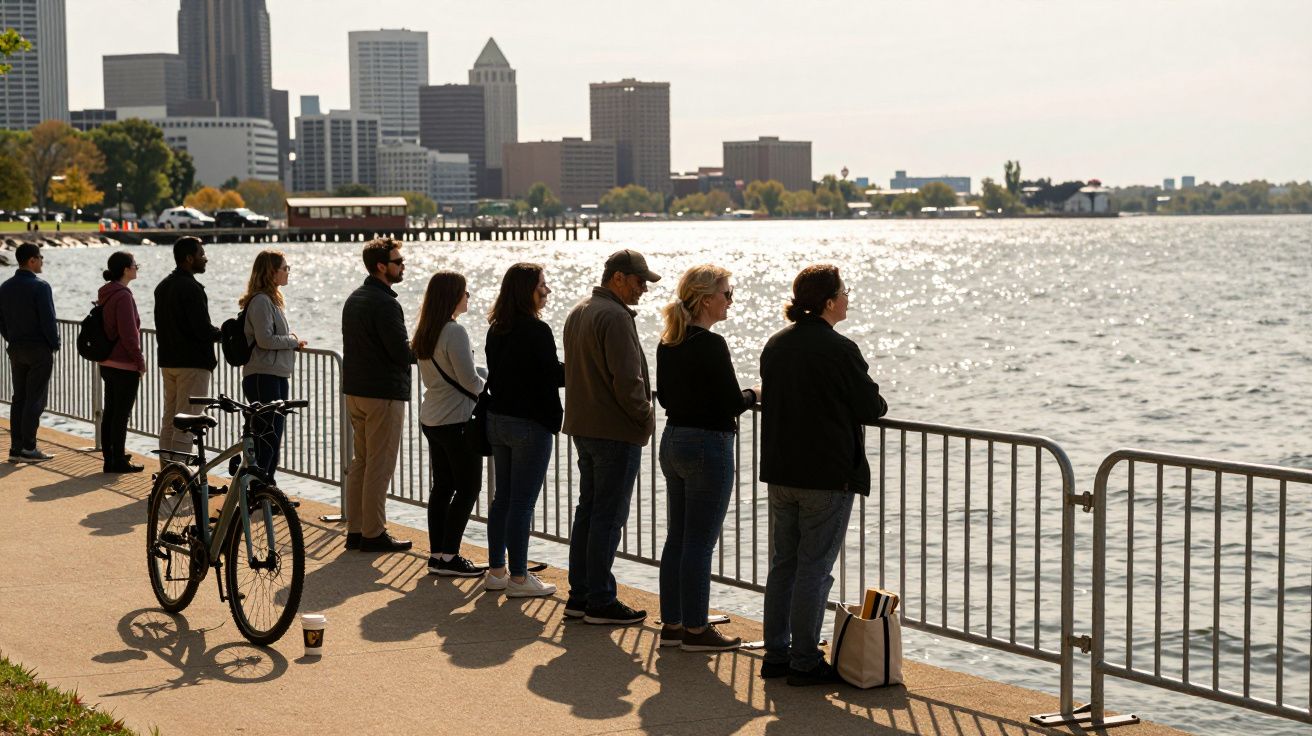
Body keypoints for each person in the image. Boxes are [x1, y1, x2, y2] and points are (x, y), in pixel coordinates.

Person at [758, 264, 888, 686]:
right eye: (844, 292)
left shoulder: (776, 344)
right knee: (815, 568)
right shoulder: (839, 349)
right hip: (826, 475)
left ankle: (776, 654)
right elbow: (871, 406)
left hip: (781, 469)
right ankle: (805, 660)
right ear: (830, 302)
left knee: (784, 565)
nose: (848, 297)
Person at [655, 264, 759, 652]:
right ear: (705, 299)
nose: (731, 300)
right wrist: (755, 393)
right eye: (727, 294)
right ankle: (697, 631)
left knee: (677, 539)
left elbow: (665, 398)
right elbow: (732, 402)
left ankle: (673, 624)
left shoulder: (669, 343)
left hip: (674, 441)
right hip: (708, 446)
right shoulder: (711, 345)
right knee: (699, 542)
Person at [561, 249, 660, 625]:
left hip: (584, 426)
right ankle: (600, 599)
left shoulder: (580, 310)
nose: (642, 290)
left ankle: (580, 594)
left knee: (588, 512)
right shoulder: (615, 316)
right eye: (639, 282)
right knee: (608, 516)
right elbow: (628, 382)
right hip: (614, 430)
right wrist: (646, 418)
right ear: (617, 278)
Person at [483, 263, 563, 598]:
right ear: (527, 290)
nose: (546, 291)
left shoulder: (496, 328)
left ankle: (497, 570)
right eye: (542, 285)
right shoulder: (537, 330)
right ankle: (519, 577)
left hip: (499, 420)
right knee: (522, 503)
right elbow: (553, 376)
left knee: (503, 498)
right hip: (530, 423)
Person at [341, 238, 414, 553]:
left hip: (356, 391)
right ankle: (374, 533)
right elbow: (400, 353)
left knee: (361, 462)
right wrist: (425, 348)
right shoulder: (386, 304)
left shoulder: (355, 298)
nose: (402, 266)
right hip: (382, 393)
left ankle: (356, 530)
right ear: (381, 267)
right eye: (398, 261)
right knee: (379, 465)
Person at [413, 271, 486, 578]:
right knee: (468, 487)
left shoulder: (426, 330)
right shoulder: (454, 331)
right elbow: (468, 380)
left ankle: (437, 555)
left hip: (432, 416)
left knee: (443, 486)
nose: (468, 296)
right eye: (465, 292)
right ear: (453, 296)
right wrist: (490, 387)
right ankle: (450, 555)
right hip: (456, 419)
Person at [239, 250, 306, 483]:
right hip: (262, 375)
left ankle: (266, 488)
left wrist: (291, 342)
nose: (288, 272)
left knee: (272, 436)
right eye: (285, 268)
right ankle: (258, 488)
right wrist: (293, 341)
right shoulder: (260, 301)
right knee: (267, 436)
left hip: (275, 374)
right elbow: (265, 339)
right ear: (271, 272)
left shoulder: (272, 301)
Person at [154, 236, 221, 456]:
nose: (205, 259)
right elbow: (201, 329)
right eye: (201, 254)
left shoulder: (163, 286)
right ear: (189, 258)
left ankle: (167, 473)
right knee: (188, 422)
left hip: (168, 361)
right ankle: (180, 477)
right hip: (192, 364)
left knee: (170, 418)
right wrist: (225, 334)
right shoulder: (191, 288)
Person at [0, 243, 59, 462]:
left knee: (19, 398)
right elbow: (48, 320)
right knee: (36, 399)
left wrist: (11, 338)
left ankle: (16, 447)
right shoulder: (40, 287)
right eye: (40, 257)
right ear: (32, 260)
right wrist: (54, 344)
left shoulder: (5, 287)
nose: (42, 261)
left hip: (16, 348)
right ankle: (29, 447)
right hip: (38, 349)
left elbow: (1, 321)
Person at [97, 250, 147, 474]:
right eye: (135, 265)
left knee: (111, 411)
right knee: (121, 414)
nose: (137, 268)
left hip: (107, 361)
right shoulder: (124, 296)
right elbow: (129, 334)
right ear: (126, 269)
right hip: (124, 363)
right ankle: (117, 459)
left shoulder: (106, 293)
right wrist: (140, 361)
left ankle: (110, 455)